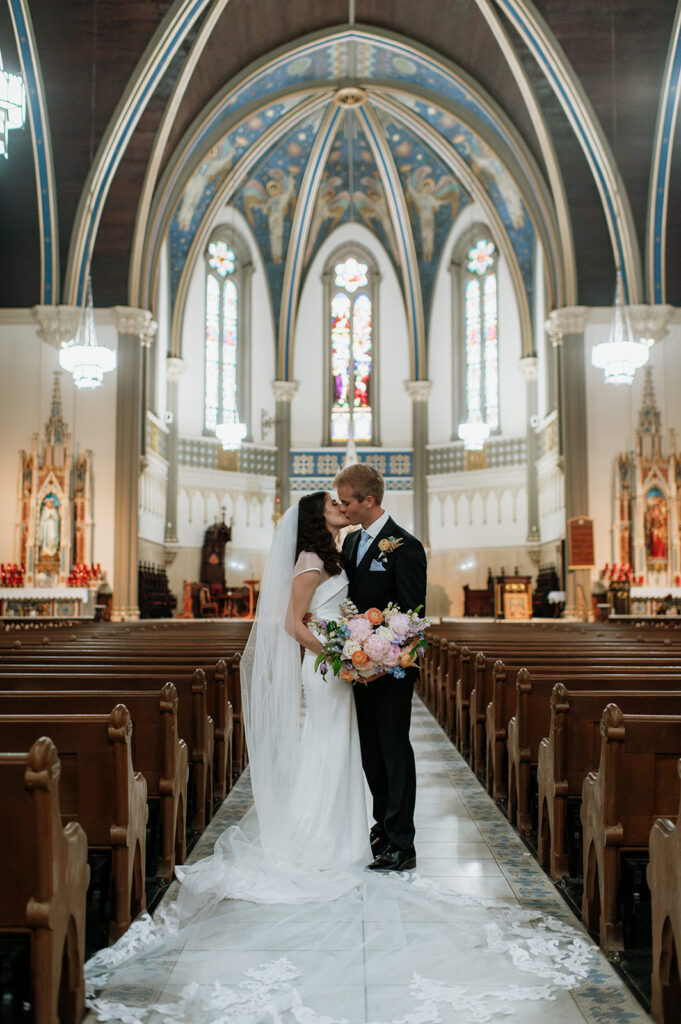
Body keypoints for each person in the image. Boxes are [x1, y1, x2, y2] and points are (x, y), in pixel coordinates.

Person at [84, 491, 594, 1024]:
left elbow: (356, 608)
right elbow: (292, 622)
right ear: (315, 517)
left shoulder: (341, 551)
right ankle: (326, 838)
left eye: (343, 499)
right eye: (331, 502)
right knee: (331, 746)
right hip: (327, 668)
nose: (338, 505)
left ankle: (357, 834)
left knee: (343, 748)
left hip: (344, 665)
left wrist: (355, 636)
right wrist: (333, 651)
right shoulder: (311, 560)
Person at [334, 463, 427, 872]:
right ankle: (382, 827)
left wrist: (381, 655)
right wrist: (356, 653)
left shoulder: (405, 547)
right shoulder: (352, 544)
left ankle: (402, 841)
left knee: (394, 750)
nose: (344, 508)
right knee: (371, 752)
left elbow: (411, 615)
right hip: (358, 668)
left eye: (348, 501)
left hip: (390, 672)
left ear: (368, 501)